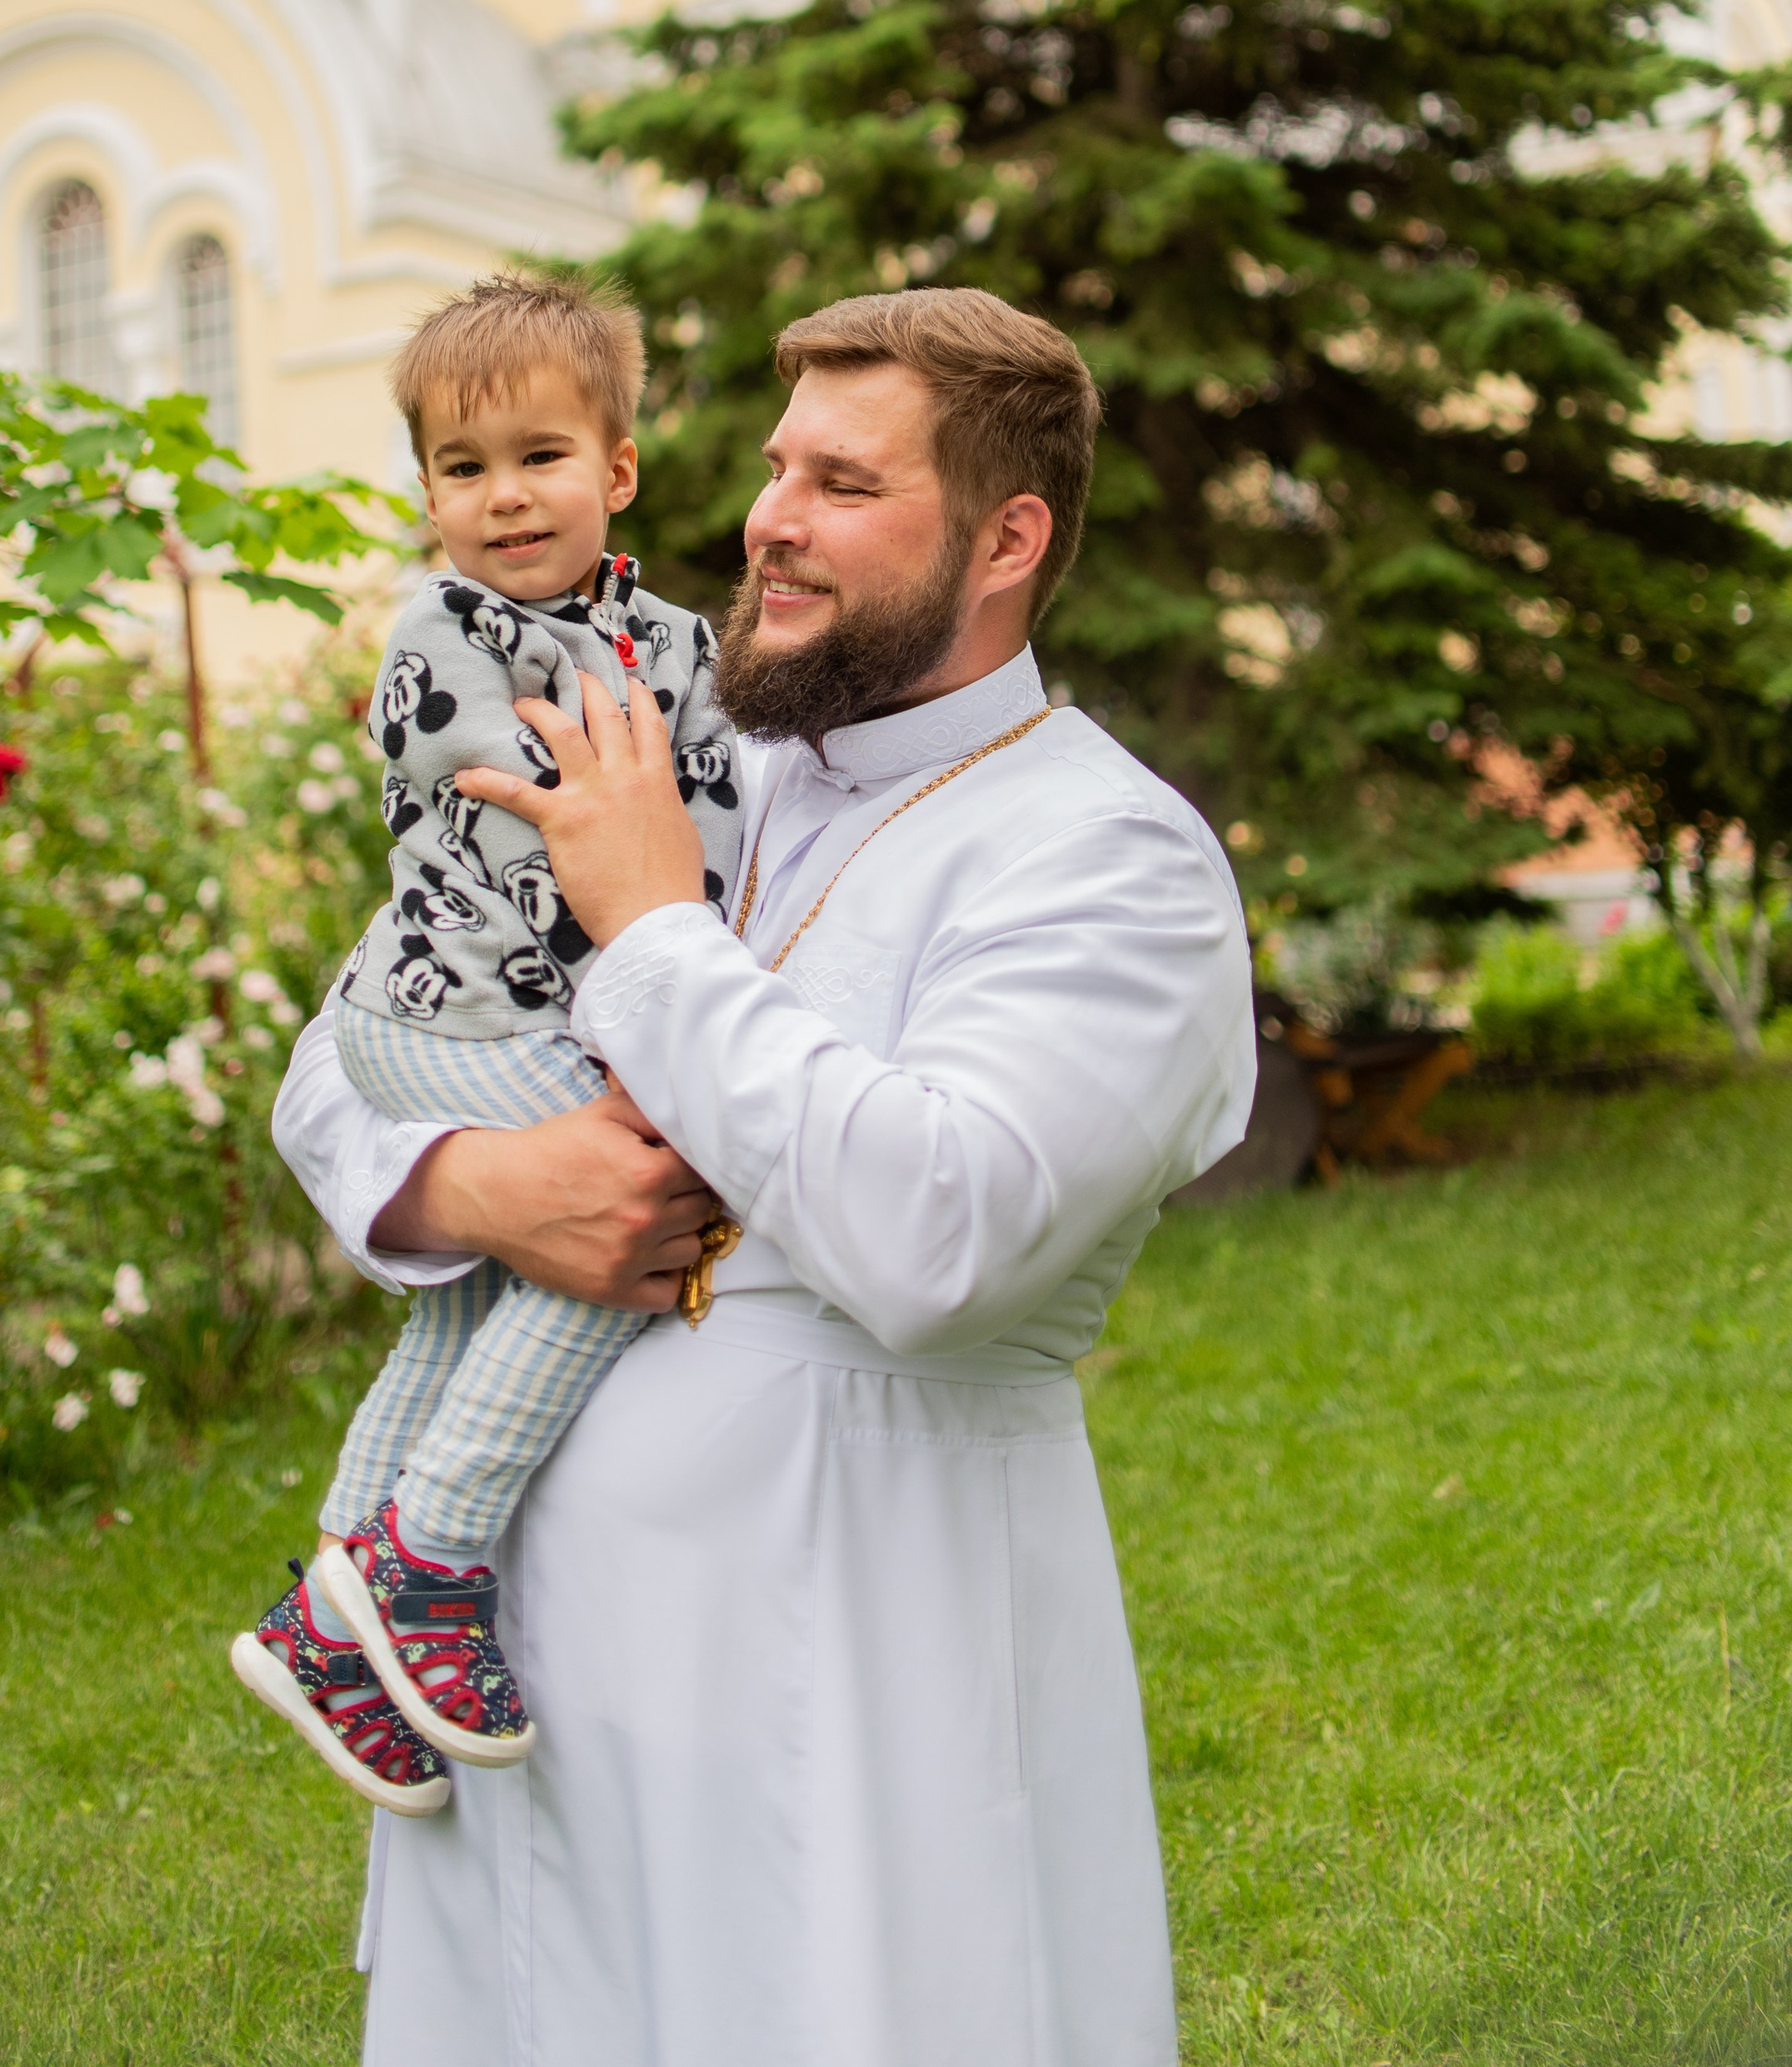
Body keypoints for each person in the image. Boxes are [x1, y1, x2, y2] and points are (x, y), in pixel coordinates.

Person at [272, 286, 1256, 2067]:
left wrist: (648, 923)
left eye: (844, 483)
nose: (769, 518)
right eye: (773, 464)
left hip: (858, 1676)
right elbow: (341, 1057)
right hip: (519, 1683)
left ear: (1004, 539)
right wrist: (475, 1192)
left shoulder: (1106, 856)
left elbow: (937, 1231)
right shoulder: (657, 742)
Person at [233, 275, 741, 1810]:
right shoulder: (442, 640)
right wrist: (661, 1014)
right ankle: (425, 1560)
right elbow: (544, 841)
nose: (505, 497)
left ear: (620, 469)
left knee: (462, 1313)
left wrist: (695, 941)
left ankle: (325, 1612)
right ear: (430, 495)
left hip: (549, 1010)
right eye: (465, 469)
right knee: (639, 1199)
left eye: (540, 456)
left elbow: (704, 814)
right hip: (441, 1013)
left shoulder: (674, 637)